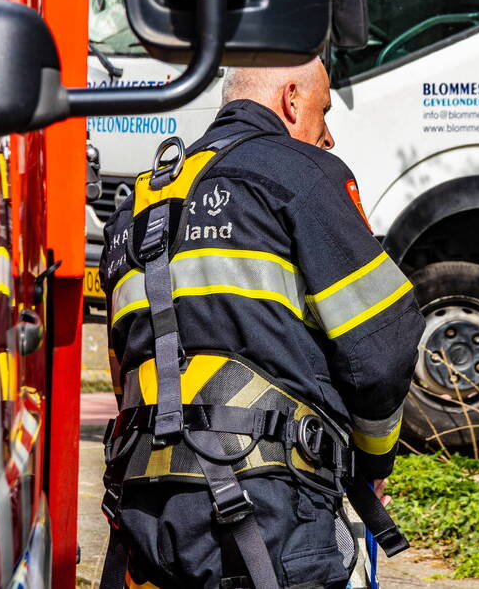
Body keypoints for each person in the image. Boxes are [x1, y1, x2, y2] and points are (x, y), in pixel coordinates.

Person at [98, 57, 424, 588]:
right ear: (292, 99)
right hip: (273, 513)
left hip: (145, 514)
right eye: (322, 112)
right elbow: (382, 348)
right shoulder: (301, 175)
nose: (329, 137)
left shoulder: (135, 204)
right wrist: (373, 465)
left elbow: (123, 368)